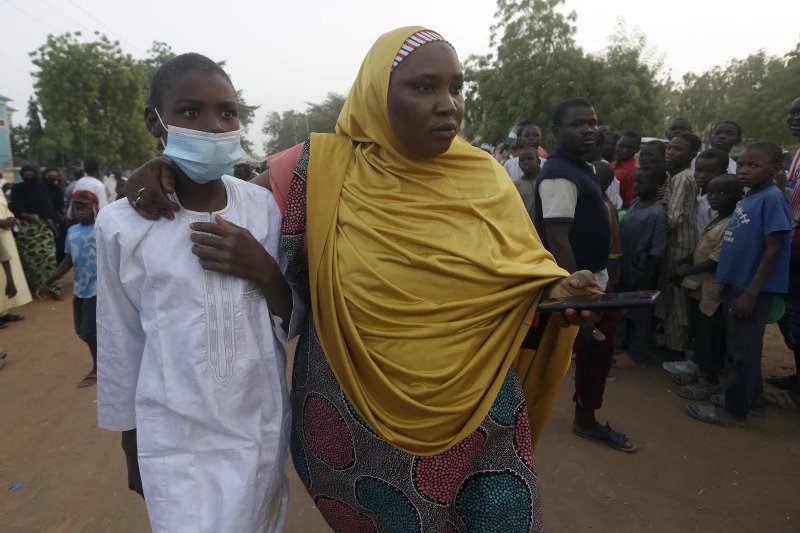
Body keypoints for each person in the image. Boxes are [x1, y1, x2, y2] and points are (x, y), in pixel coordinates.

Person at [123, 29, 602, 533]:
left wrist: (557, 291)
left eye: (455, 87)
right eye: (424, 88)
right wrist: (163, 168)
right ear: (377, 94)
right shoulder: (317, 168)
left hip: (481, 415)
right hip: (357, 425)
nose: (447, 105)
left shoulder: (485, 177)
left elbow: (524, 271)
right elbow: (227, 197)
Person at [96, 53, 295, 532]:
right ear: (156, 122)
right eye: (190, 112)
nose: (212, 125)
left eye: (227, 113)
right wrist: (132, 447)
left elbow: (292, 316)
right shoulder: (122, 226)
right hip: (176, 441)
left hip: (259, 426)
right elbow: (120, 342)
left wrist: (264, 271)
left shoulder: (262, 208)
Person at [534, 97, 636, 453]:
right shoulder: (560, 174)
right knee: (589, 349)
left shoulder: (583, 168)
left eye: (592, 122)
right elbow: (557, 237)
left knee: (593, 350)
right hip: (577, 284)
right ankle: (585, 420)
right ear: (557, 131)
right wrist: (578, 289)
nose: (589, 129)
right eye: (578, 124)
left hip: (594, 276)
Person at [688, 142, 791, 426]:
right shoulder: (749, 196)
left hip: (750, 290)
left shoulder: (772, 199)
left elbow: (774, 248)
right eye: (743, 164)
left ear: (774, 169)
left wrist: (752, 292)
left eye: (754, 166)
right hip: (735, 285)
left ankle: (735, 412)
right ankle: (749, 401)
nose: (745, 170)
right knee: (740, 348)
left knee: (741, 353)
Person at [672, 174, 744, 400]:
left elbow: (717, 259)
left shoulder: (733, 223)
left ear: (738, 196)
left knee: (713, 337)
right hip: (705, 291)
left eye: (722, 193)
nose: (714, 198)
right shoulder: (717, 219)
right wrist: (686, 261)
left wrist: (686, 271)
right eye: (711, 192)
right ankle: (702, 371)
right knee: (703, 334)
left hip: (716, 293)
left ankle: (710, 380)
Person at [37, 191, 100, 388]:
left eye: (85, 207)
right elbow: (68, 260)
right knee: (81, 330)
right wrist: (48, 281)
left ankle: (99, 368)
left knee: (89, 331)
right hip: (80, 288)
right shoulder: (72, 232)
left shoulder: (101, 229)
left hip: (98, 288)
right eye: (77, 207)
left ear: (95, 207)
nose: (80, 211)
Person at [614, 166, 667, 367]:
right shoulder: (635, 203)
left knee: (640, 313)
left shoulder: (657, 213)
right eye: (635, 181)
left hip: (642, 269)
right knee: (621, 307)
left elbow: (656, 249)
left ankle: (635, 353)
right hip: (625, 266)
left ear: (657, 186)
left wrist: (646, 278)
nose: (636, 186)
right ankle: (619, 346)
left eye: (642, 183)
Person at [655, 133, 700, 358]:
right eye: (669, 148)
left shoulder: (683, 177)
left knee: (677, 296)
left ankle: (675, 349)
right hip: (680, 242)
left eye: (678, 149)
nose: (671, 152)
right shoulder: (678, 176)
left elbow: (672, 218)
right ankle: (672, 344)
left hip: (679, 244)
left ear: (692, 154)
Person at [770, 96, 800, 395]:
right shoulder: (797, 154)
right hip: (793, 243)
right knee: (791, 313)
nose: (793, 118)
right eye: (791, 113)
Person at [9, 165, 61, 299]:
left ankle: (53, 288)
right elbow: (13, 208)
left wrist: (52, 221)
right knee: (29, 261)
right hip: (25, 230)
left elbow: (48, 206)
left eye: (32, 177)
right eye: (26, 178)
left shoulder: (41, 187)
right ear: (22, 177)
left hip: (42, 227)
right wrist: (26, 215)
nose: (30, 180)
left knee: (49, 258)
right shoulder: (17, 189)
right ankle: (35, 288)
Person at [594, 161, 622, 287]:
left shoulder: (605, 207)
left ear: (603, 183)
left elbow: (613, 244)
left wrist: (610, 275)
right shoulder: (597, 203)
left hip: (605, 268)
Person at [693, 148, 729, 236]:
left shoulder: (717, 202)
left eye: (709, 171)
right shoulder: (700, 192)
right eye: (698, 170)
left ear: (723, 173)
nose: (702, 176)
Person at [612, 130, 641, 207]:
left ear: (637, 149)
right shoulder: (613, 164)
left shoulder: (634, 170)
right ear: (616, 144)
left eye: (630, 148)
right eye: (621, 146)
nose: (624, 151)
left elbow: (629, 203)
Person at [514, 145, 540, 222]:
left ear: (538, 161)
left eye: (530, 159)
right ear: (519, 164)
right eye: (522, 160)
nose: (526, 162)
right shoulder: (515, 185)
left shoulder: (544, 182)